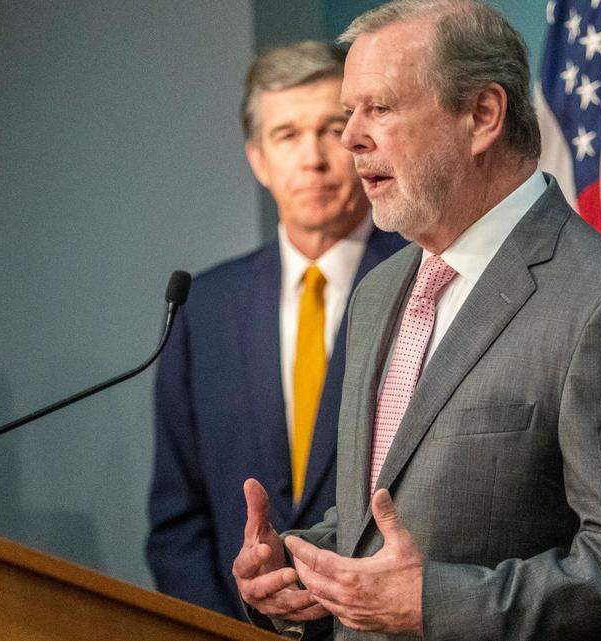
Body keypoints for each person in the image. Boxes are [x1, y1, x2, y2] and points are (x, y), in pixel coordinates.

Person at [233, 2, 601, 640]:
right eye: (351, 111)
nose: (350, 137)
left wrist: (436, 602)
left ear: (482, 115)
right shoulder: (380, 291)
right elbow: (383, 520)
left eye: (379, 108)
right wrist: (300, 569)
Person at [147, 41, 406, 618]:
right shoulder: (204, 308)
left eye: (331, 129)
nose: (312, 158)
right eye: (287, 135)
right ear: (258, 159)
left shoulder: (422, 281)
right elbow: (177, 522)